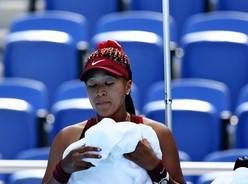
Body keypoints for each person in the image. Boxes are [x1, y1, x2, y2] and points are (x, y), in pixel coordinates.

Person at [42, 40, 186, 184]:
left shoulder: (159, 134)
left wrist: (155, 167)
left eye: (109, 83)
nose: (100, 92)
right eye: (92, 85)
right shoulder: (67, 138)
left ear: (128, 86)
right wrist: (62, 171)